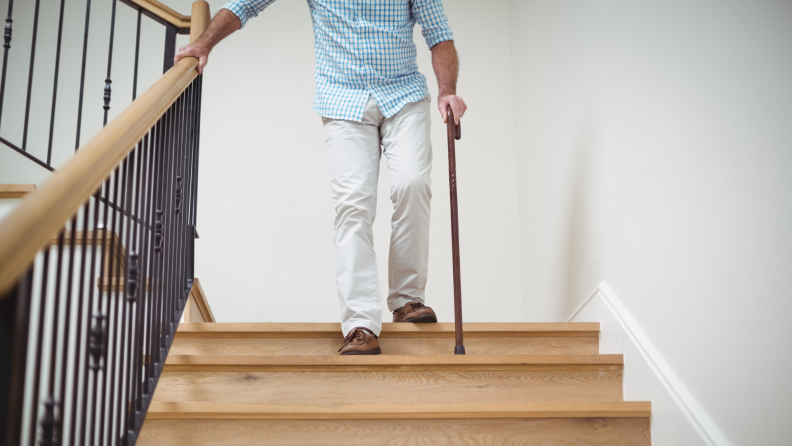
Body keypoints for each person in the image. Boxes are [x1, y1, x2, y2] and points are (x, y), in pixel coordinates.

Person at [174, 0, 467, 355]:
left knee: (413, 184)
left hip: (403, 95)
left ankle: (407, 301)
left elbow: (440, 36)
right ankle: (360, 323)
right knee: (353, 205)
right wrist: (204, 44)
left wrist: (447, 90)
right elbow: (245, 5)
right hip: (342, 100)